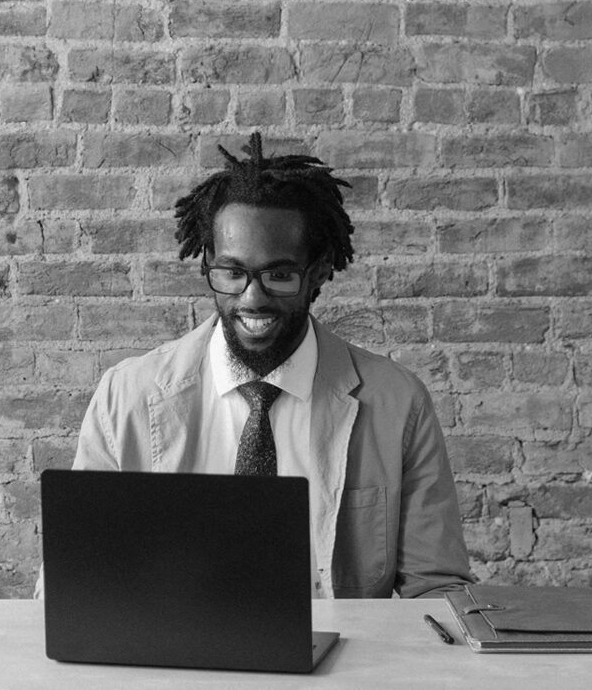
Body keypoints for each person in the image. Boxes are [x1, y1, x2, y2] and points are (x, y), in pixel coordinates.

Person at [70, 133, 473, 598]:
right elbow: (77, 577)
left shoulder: (397, 404)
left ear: (319, 271)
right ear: (208, 266)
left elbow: (437, 591)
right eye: (233, 273)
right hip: (174, 663)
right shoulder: (127, 397)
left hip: (348, 664)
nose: (252, 297)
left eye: (279, 275)